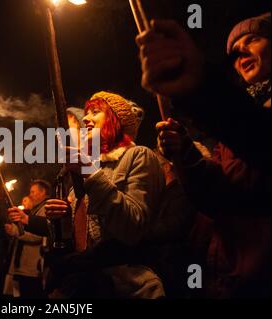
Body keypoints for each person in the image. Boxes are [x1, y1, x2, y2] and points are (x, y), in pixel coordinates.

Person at [136, 13, 271, 298]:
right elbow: (218, 198)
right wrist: (184, 155)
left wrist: (201, 86)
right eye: (234, 51)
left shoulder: (241, 119)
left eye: (253, 39)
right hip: (232, 278)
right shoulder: (234, 128)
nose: (241, 51)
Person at [41, 91, 167, 298]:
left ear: (116, 120)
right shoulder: (86, 169)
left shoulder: (139, 156)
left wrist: (92, 174)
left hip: (126, 286)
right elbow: (77, 239)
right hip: (82, 286)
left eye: (96, 112)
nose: (86, 118)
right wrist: (58, 218)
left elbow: (133, 227)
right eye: (87, 113)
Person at [4, 180, 51, 298]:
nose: (31, 194)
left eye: (33, 192)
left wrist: (15, 231)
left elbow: (38, 235)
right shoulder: (35, 209)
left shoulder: (45, 208)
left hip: (32, 266)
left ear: (43, 192)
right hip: (24, 265)